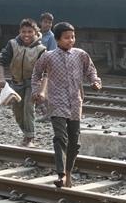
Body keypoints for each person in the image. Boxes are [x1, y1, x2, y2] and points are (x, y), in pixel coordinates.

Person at [31, 22, 101, 188]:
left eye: (73, 37)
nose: (71, 40)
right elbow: (36, 74)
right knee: (60, 138)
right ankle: (61, 174)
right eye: (67, 38)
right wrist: (36, 91)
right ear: (57, 39)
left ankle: (68, 174)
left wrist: (95, 82)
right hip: (57, 103)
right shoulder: (48, 56)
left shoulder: (81, 55)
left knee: (75, 142)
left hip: (75, 103)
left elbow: (91, 70)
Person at [0, 19, 47, 147]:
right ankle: (26, 134)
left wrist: (42, 91)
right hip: (16, 82)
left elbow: (46, 73)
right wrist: (1, 78)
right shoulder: (12, 44)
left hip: (33, 83)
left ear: (35, 32)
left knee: (28, 108)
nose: (26, 35)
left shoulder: (41, 49)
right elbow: (1, 61)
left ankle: (30, 138)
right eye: (24, 31)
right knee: (17, 111)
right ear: (19, 31)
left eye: (30, 32)